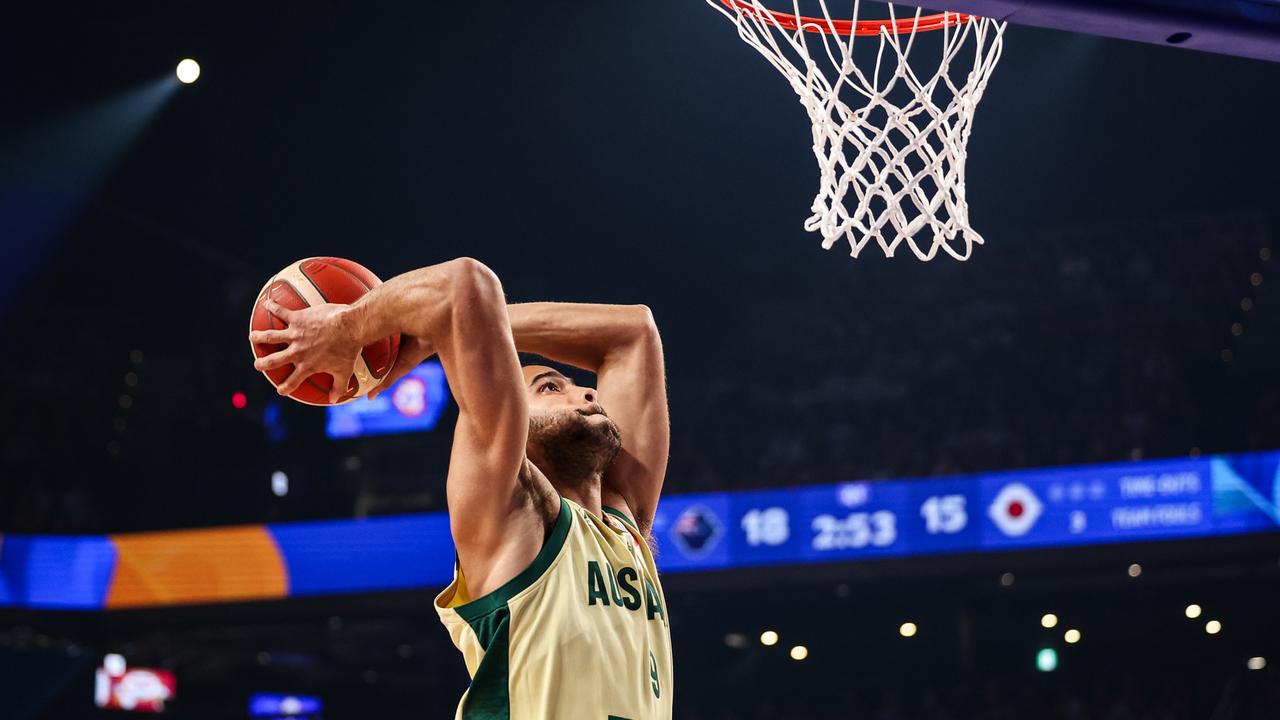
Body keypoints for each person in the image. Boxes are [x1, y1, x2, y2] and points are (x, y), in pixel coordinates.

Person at [248, 257, 673, 719]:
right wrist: (352, 326)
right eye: (551, 387)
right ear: (512, 423)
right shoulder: (516, 509)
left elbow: (634, 332)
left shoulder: (624, 519)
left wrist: (430, 336)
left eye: (578, 387)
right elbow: (463, 286)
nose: (587, 393)